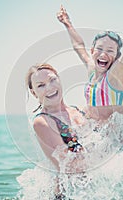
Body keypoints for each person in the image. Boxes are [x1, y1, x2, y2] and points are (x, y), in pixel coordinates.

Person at [25, 63, 87, 198]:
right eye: (41, 85)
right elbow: (69, 165)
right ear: (34, 92)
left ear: (59, 79)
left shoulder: (80, 111)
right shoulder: (42, 122)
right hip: (67, 195)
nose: (50, 87)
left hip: (90, 191)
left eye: (52, 80)